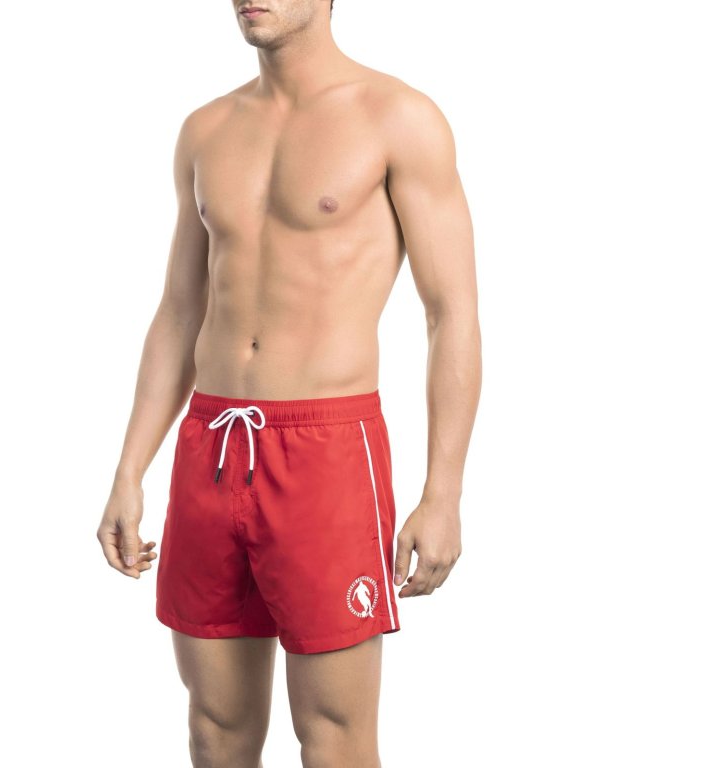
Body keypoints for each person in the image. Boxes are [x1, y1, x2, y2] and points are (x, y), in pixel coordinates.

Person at [97, 1, 481, 764]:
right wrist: (129, 469)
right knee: (216, 726)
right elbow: (180, 311)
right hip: (211, 444)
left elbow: (452, 314)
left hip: (327, 451)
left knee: (334, 735)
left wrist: (443, 494)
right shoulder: (207, 129)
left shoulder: (397, 118)